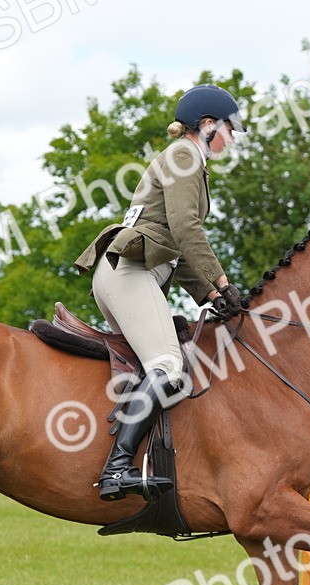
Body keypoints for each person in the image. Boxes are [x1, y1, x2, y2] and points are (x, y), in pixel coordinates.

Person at [75, 85, 247, 501]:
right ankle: (116, 469)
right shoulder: (186, 156)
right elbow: (188, 230)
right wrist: (223, 283)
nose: (233, 137)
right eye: (229, 128)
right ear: (207, 126)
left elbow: (177, 246)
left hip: (129, 271)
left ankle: (144, 455)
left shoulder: (186, 160)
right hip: (129, 272)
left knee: (154, 363)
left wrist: (209, 295)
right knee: (169, 364)